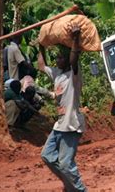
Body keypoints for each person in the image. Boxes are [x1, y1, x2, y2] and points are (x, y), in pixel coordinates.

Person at [39, 24, 87, 192]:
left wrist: (75, 39)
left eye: (60, 57)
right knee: (47, 155)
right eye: (57, 58)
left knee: (66, 164)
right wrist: (40, 45)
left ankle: (79, 190)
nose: (57, 60)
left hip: (71, 125)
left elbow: (74, 59)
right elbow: (41, 65)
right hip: (59, 125)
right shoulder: (57, 74)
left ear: (67, 59)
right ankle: (70, 186)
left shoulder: (74, 74)